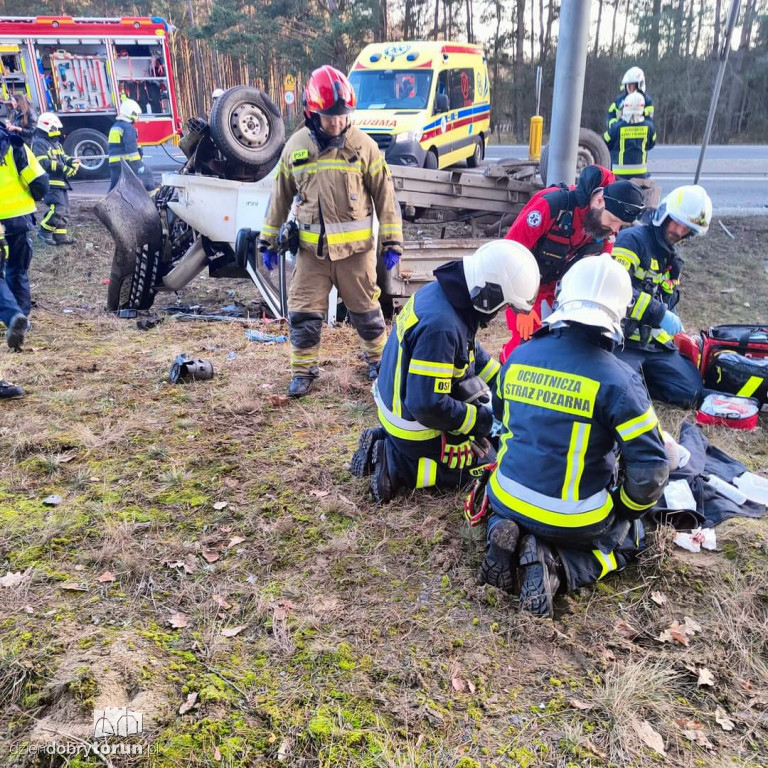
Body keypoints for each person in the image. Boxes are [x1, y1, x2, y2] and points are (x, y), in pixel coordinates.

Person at [478, 254, 669, 618]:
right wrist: (624, 511)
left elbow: (500, 422)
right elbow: (651, 470)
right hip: (573, 518)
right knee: (631, 536)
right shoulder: (619, 380)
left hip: (504, 495)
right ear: (618, 314)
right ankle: (558, 569)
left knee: (517, 503)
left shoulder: (518, 356)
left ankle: (501, 532)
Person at [350, 240, 540, 504]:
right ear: (490, 295)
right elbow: (427, 405)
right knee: (483, 464)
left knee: (485, 433)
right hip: (415, 422)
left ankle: (391, 443)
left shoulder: (448, 297)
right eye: (505, 306)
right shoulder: (442, 325)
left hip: (399, 403)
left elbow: (472, 356)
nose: (501, 314)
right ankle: (396, 465)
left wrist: (508, 386)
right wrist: (480, 422)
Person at [259, 65, 403, 398]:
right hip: (312, 255)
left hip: (356, 255)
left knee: (368, 316)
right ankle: (303, 372)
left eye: (342, 115)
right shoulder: (296, 148)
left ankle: (380, 365)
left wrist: (392, 241)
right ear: (312, 112)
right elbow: (279, 197)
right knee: (303, 316)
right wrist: (267, 240)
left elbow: (386, 195)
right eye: (329, 116)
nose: (336, 122)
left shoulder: (363, 146)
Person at [500, 165, 645, 361]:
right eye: (613, 221)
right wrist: (521, 308)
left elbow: (601, 271)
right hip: (525, 287)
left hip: (563, 291)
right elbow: (509, 254)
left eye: (620, 225)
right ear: (599, 201)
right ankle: (504, 374)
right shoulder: (551, 206)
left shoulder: (605, 230)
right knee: (526, 344)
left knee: (565, 345)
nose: (615, 230)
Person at [611, 185, 712, 408]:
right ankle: (632, 379)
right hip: (623, 344)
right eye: (676, 222)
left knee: (692, 392)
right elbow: (616, 292)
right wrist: (660, 314)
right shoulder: (632, 241)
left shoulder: (673, 260)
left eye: (687, 229)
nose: (678, 231)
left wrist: (674, 324)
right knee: (621, 397)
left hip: (653, 346)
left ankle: (642, 379)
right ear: (664, 214)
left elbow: (668, 300)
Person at [0, 123, 49, 350]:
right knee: (17, 269)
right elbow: (40, 183)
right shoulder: (15, 144)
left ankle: (13, 316)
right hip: (19, 219)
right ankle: (22, 319)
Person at [32, 112, 79, 245]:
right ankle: (44, 232)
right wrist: (63, 168)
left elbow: (63, 158)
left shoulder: (55, 143)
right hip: (49, 183)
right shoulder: (39, 143)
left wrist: (72, 162)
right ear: (47, 127)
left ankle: (60, 236)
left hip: (60, 182)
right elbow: (42, 162)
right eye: (55, 128)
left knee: (65, 210)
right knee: (57, 208)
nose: (57, 131)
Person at [604, 91, 657, 179]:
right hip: (641, 174)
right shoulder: (649, 127)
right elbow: (651, 144)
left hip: (618, 174)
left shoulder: (616, 127)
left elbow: (604, 144)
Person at [108, 98, 152, 191]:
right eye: (137, 115)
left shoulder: (115, 126)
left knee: (115, 186)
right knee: (147, 174)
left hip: (114, 163)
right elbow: (131, 149)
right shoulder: (128, 128)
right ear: (132, 114)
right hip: (125, 163)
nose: (138, 117)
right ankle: (153, 201)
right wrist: (139, 165)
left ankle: (106, 204)